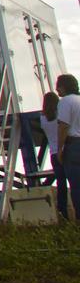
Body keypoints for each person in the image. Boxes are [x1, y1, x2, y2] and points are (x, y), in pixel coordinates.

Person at [41, 92, 69, 221]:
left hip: (53, 154)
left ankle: (62, 211)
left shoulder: (43, 118)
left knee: (61, 183)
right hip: (65, 151)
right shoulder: (60, 116)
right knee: (74, 181)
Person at [56, 74, 80, 220]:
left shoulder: (65, 101)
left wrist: (60, 149)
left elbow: (63, 126)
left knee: (76, 185)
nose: (57, 89)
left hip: (73, 145)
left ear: (63, 87)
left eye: (58, 86)